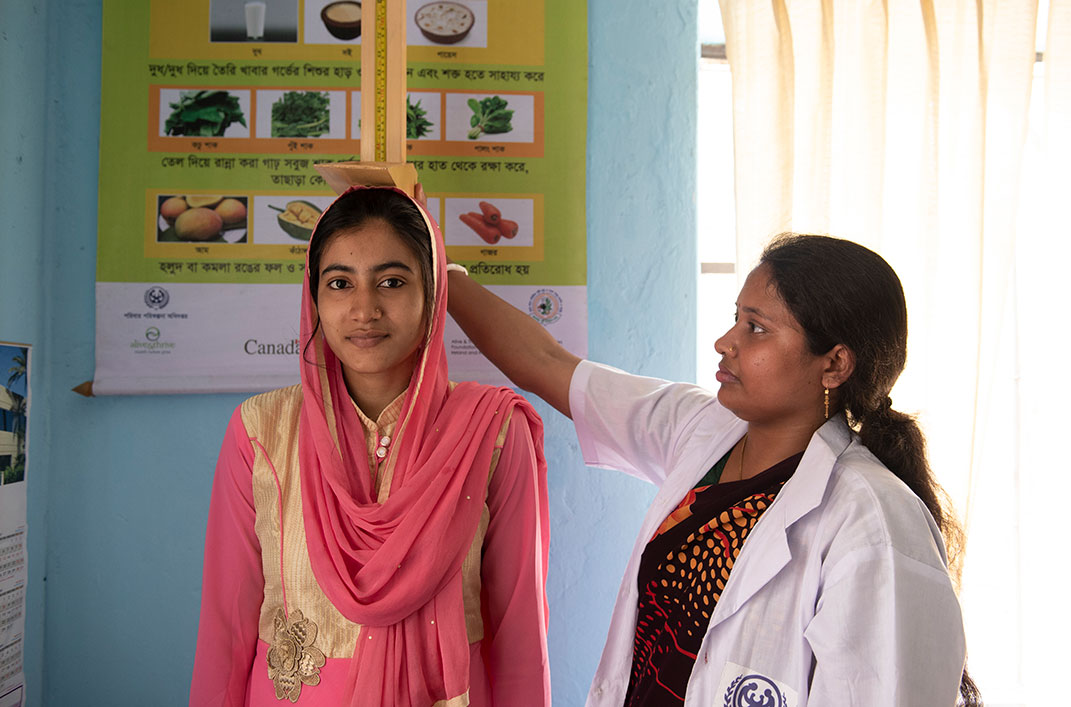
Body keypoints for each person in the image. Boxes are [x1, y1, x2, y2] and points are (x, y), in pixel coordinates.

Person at [445, 228, 979, 706]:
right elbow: (547, 364)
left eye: (757, 328)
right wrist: (440, 269)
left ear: (834, 364)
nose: (726, 343)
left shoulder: (873, 522)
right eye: (735, 320)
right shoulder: (702, 430)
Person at [190, 186, 551, 707]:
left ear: (433, 293)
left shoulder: (491, 432)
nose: (364, 308)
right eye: (340, 283)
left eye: (392, 282)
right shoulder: (260, 430)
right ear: (314, 298)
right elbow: (225, 627)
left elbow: (520, 632)